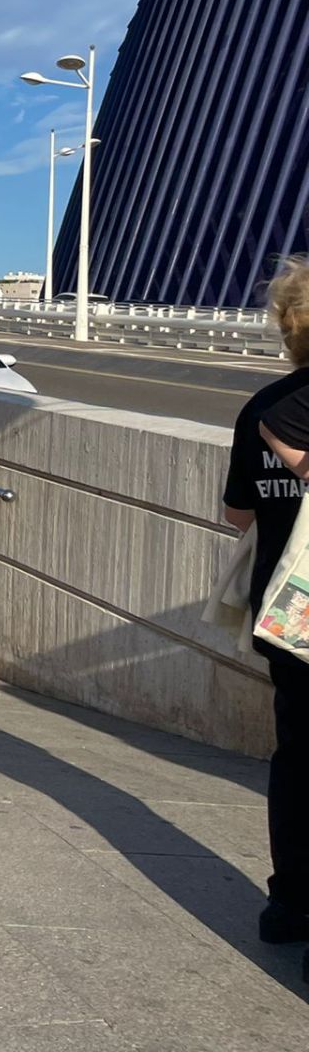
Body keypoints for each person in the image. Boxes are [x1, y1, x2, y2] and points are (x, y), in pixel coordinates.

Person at [223, 255, 309, 964]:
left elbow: (236, 514)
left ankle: (288, 905)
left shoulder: (262, 409)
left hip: (288, 618)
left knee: (297, 759)